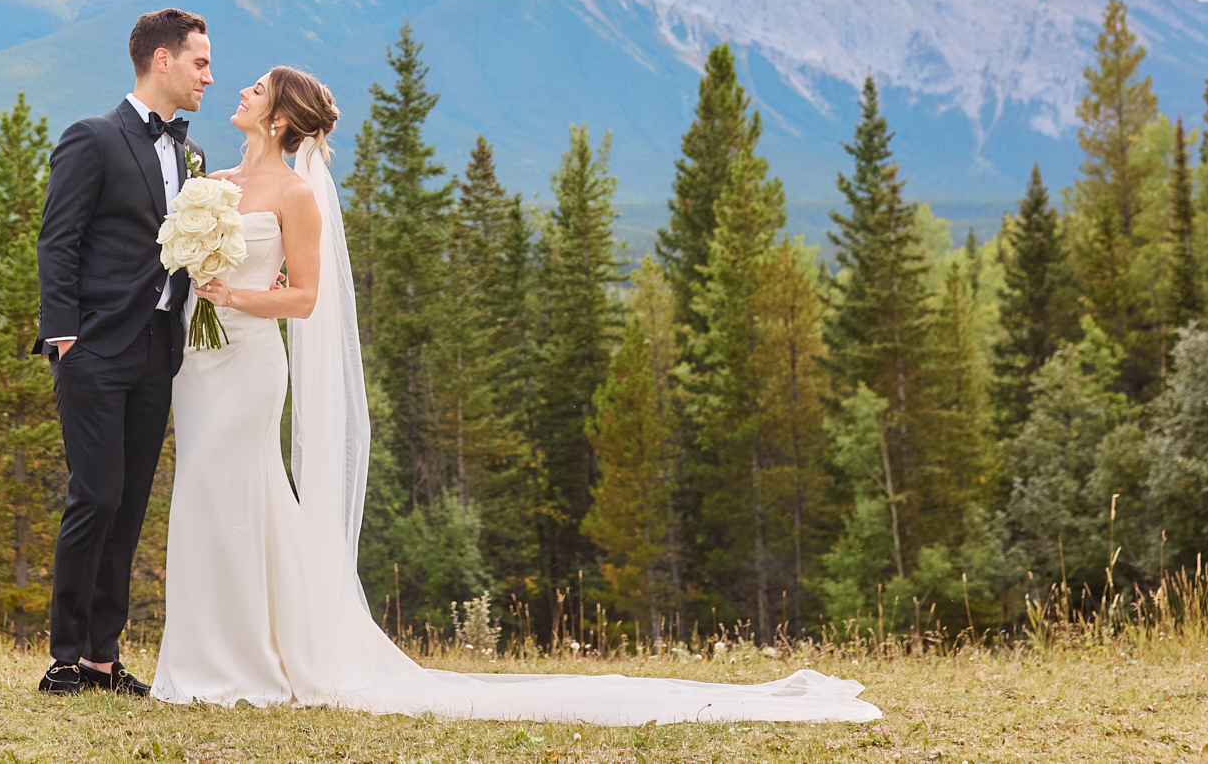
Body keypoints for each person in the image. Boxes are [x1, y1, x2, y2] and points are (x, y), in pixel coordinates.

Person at [152, 65, 883, 726]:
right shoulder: (213, 183)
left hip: (249, 364)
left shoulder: (295, 194)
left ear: (280, 118)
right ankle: (201, 655)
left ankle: (246, 660)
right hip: (199, 360)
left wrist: (238, 296)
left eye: (255, 88)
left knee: (243, 489)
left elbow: (306, 299)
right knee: (202, 492)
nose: (240, 91)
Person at [31, 6, 213, 696]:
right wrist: (65, 336)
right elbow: (59, 239)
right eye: (199, 61)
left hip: (158, 351)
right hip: (97, 350)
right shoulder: (94, 138)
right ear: (161, 61)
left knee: (131, 502)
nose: (208, 75)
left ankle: (104, 659)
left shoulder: (190, 152)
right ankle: (64, 656)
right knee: (96, 496)